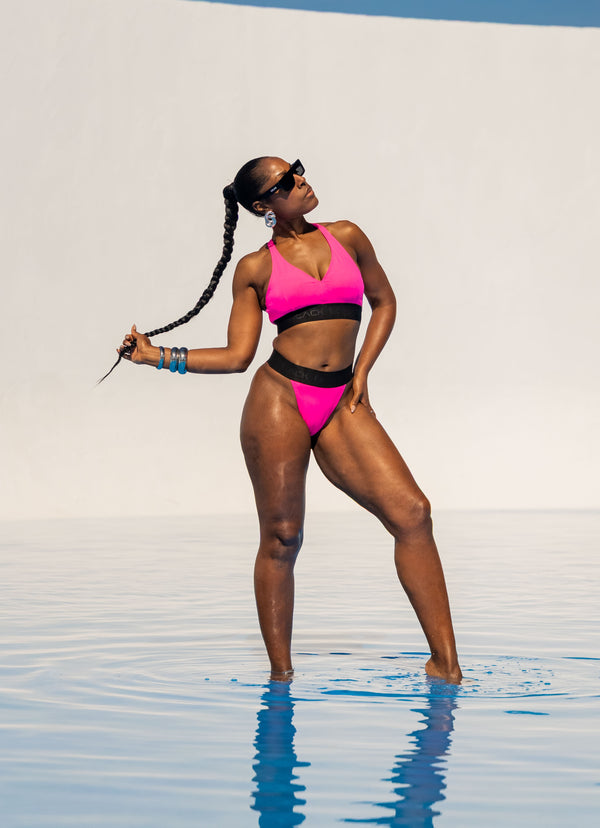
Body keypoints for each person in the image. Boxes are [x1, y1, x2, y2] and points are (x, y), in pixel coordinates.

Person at [116, 156, 462, 684]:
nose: (301, 180)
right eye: (286, 181)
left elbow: (384, 302)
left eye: (297, 169)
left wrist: (362, 370)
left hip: (341, 397)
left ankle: (445, 665)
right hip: (279, 400)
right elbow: (237, 356)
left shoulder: (347, 236)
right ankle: (281, 679)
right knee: (282, 537)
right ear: (264, 205)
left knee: (413, 515)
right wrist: (155, 356)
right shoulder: (255, 269)